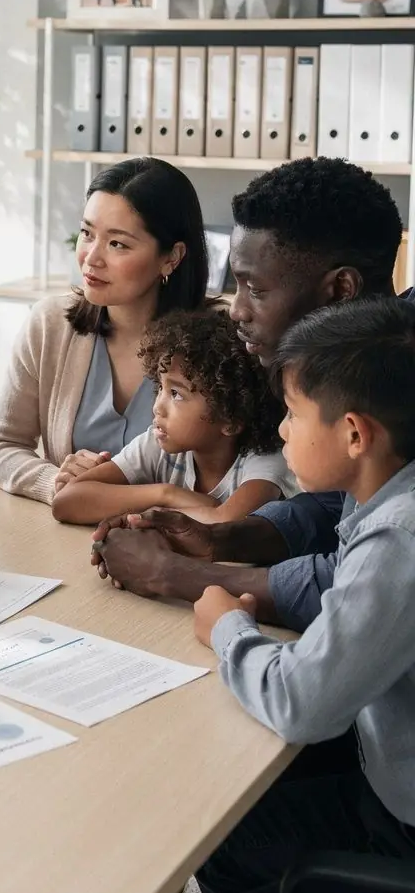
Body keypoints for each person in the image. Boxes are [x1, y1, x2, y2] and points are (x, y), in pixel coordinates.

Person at [160, 298, 415, 893]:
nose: (280, 430)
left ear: (354, 434)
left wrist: (226, 629)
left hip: (402, 838)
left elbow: (302, 704)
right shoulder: (383, 500)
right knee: (217, 833)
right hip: (384, 792)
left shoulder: (399, 537)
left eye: (293, 415)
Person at [92, 158, 405, 627]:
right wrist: (217, 539)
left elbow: (360, 587)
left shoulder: (400, 386)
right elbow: (332, 511)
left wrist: (176, 574)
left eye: (255, 289)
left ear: (341, 289)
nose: (236, 311)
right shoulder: (353, 365)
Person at [0, 158, 208, 504]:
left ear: (171, 257)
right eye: (87, 234)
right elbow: (0, 446)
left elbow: (250, 467)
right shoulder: (50, 324)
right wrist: (58, 481)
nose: (91, 258)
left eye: (117, 244)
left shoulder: (217, 340)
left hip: (173, 535)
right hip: (66, 531)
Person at [51, 308, 294, 526]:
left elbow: (225, 522)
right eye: (160, 388)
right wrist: (166, 494)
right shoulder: (157, 446)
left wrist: (148, 515)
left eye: (176, 394)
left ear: (230, 420)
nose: (157, 407)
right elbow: (67, 500)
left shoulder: (266, 462)